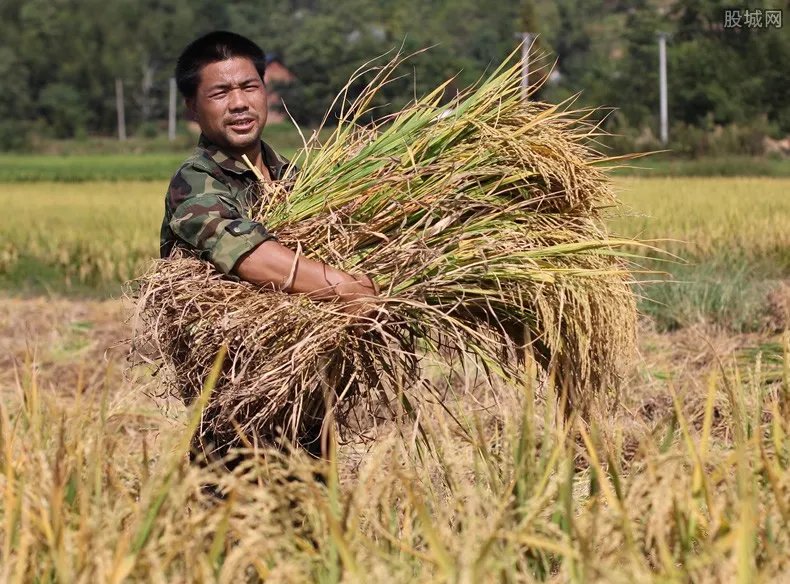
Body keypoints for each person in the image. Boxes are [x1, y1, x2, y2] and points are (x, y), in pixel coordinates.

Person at [160, 31, 379, 465]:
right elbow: (247, 253)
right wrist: (346, 288)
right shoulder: (195, 183)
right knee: (234, 529)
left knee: (316, 528)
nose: (238, 103)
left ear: (265, 92)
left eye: (249, 87)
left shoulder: (297, 181)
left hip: (309, 403)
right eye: (220, 92)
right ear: (192, 106)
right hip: (234, 416)